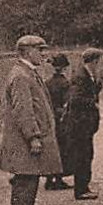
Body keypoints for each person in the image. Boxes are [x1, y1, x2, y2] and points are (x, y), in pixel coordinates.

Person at [0, 34, 64, 205]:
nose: (44, 55)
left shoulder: (28, 73)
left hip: (26, 138)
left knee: (29, 178)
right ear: (27, 52)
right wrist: (33, 136)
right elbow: (23, 110)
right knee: (25, 179)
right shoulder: (21, 75)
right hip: (24, 140)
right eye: (40, 50)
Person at [63, 48, 103, 200]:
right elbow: (76, 99)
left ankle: (84, 186)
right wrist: (93, 103)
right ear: (93, 61)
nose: (98, 65)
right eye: (97, 61)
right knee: (83, 156)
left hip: (86, 124)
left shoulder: (88, 75)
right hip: (80, 125)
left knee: (87, 154)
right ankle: (81, 189)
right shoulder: (81, 76)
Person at [43, 53, 72, 191]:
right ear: (64, 68)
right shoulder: (65, 83)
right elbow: (67, 103)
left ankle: (49, 179)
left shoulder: (47, 83)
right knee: (63, 147)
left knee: (51, 147)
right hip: (61, 118)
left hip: (49, 117)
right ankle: (59, 178)